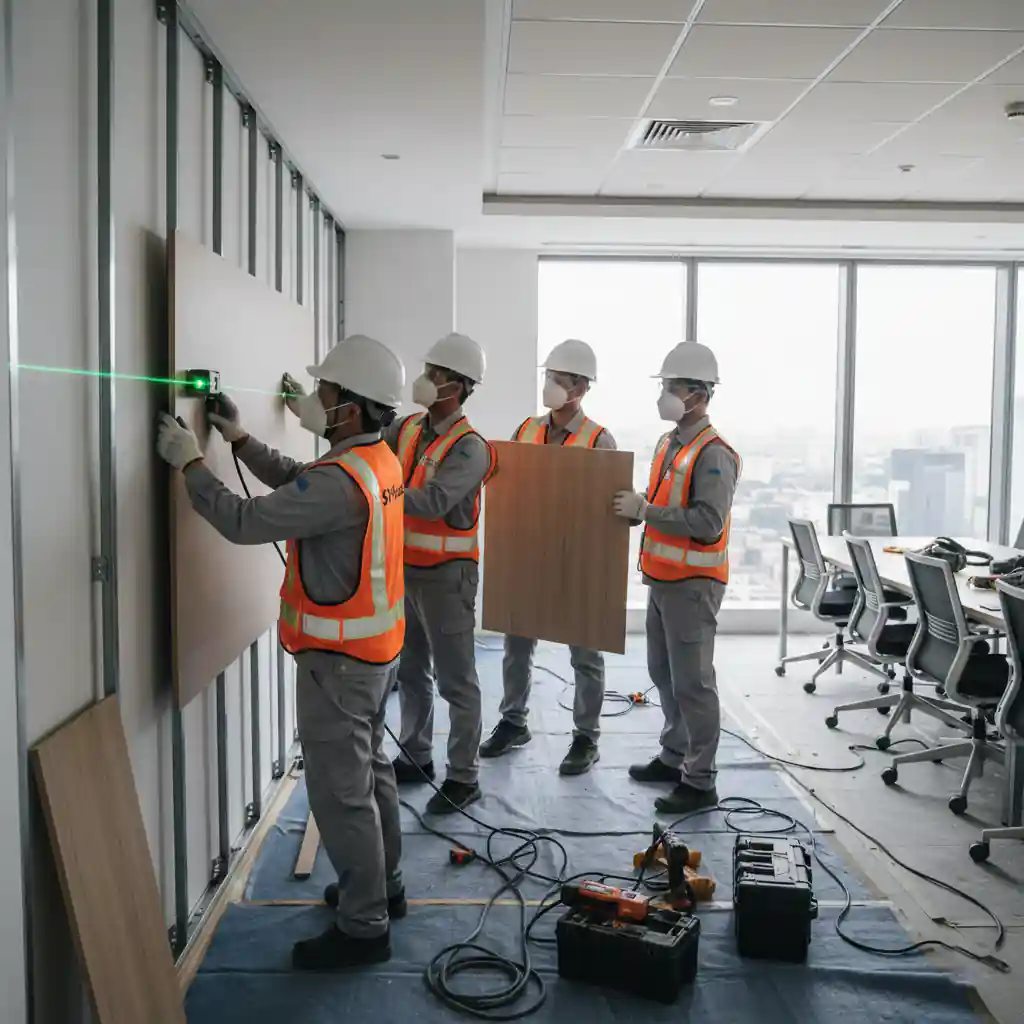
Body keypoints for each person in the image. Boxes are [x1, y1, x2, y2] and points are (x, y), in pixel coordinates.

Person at [155, 334, 408, 971]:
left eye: (325, 392)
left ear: (350, 405)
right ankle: (385, 889)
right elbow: (302, 482)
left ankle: (364, 926)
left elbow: (245, 521)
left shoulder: (341, 479)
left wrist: (191, 465)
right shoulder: (376, 461)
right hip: (376, 654)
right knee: (370, 774)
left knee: (340, 792)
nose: (317, 399)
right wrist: (241, 443)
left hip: (339, 664)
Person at [612, 341, 740, 816]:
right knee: (663, 674)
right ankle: (674, 756)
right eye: (665, 386)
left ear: (700, 393)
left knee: (693, 683)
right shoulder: (671, 444)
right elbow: (664, 499)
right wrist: (638, 507)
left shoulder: (714, 454)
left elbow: (707, 522)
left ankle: (700, 779)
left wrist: (648, 511)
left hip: (694, 584)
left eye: (673, 387)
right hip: (663, 579)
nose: (665, 394)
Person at [480, 338, 617, 776]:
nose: (551, 385)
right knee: (516, 645)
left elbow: (610, 507)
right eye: (550, 377)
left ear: (581, 387)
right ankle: (513, 721)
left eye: (560, 379)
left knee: (585, 652)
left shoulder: (599, 439)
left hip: (577, 559)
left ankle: (585, 737)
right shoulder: (526, 429)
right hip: (530, 554)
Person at [384, 333, 495, 814]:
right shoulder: (407, 428)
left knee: (456, 681)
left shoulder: (471, 448)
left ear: (459, 386)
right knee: (410, 672)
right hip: (405, 571)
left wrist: (374, 494)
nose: (425, 380)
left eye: (435, 374)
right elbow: (368, 451)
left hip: (448, 579)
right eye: (427, 369)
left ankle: (465, 776)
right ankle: (416, 755)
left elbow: (431, 502)